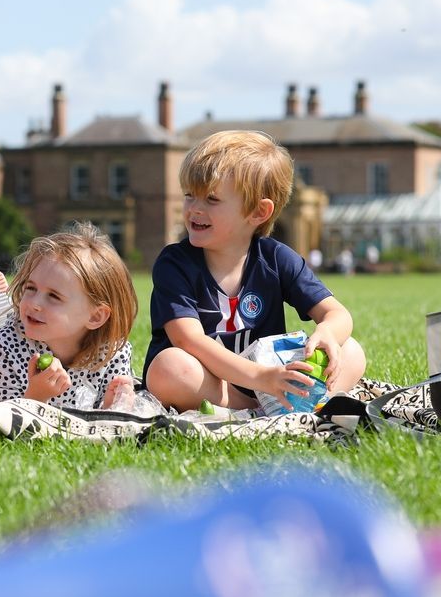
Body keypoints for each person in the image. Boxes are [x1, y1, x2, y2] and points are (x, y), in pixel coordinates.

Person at [143, 130, 366, 414]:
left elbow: (338, 314)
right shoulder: (174, 263)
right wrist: (262, 380)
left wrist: (327, 333)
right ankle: (262, 410)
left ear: (258, 213)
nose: (194, 209)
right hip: (215, 385)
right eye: (189, 196)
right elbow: (188, 340)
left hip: (273, 375)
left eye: (211, 199)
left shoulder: (276, 258)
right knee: (169, 367)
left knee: (352, 351)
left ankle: (294, 403)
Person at [0, 222, 138, 411]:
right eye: (30, 288)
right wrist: (36, 397)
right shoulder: (4, 345)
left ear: (95, 317)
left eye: (53, 296)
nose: (34, 303)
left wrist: (113, 407)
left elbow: (105, 422)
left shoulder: (113, 352)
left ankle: (7, 313)